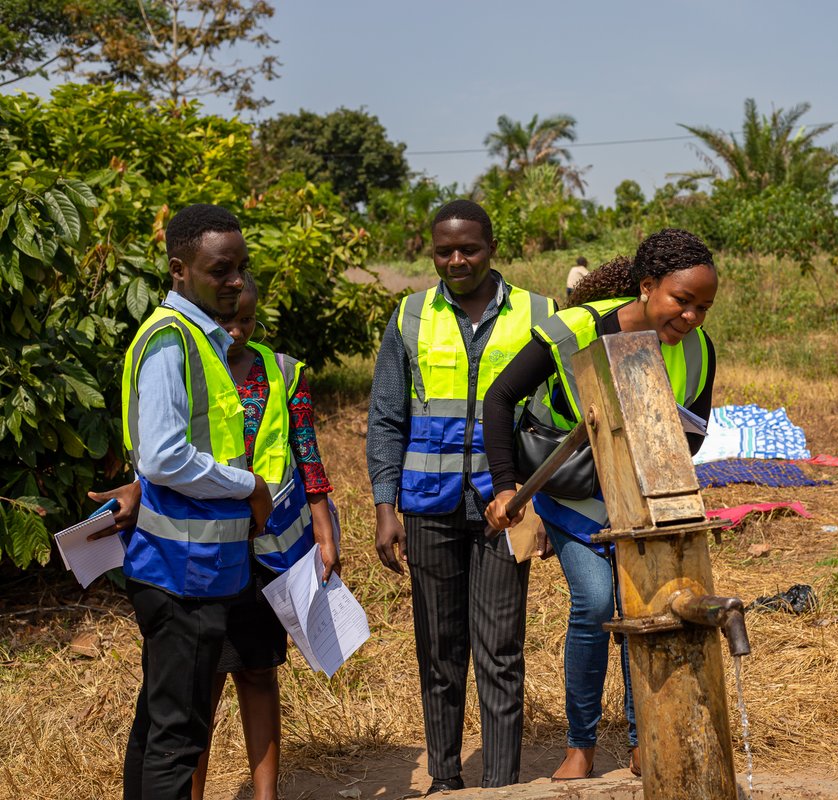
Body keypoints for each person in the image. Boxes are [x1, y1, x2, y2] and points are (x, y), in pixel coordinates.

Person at [481, 228, 719, 781]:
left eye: (703, 308)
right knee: (593, 604)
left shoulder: (699, 349)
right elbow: (499, 398)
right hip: (570, 492)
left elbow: (697, 434)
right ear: (646, 286)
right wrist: (505, 488)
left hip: (640, 497)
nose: (691, 318)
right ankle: (579, 747)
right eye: (681, 301)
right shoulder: (574, 331)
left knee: (647, 607)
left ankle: (646, 741)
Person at [101, 275, 340, 800]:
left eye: (247, 322)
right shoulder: (190, 360)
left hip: (268, 549)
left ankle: (265, 794)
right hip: (204, 550)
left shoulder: (278, 371)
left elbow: (306, 452)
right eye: (227, 321)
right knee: (196, 689)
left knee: (257, 671)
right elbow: (167, 455)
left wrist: (325, 528)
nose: (236, 331)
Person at [367, 199, 555, 793]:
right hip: (428, 505)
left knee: (500, 649)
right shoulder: (409, 316)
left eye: (468, 248)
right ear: (431, 251)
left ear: (491, 247)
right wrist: (384, 508)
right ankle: (445, 781)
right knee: (439, 651)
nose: (456, 260)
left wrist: (543, 506)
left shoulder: (539, 313)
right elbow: (386, 418)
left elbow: (555, 417)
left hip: (508, 506)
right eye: (444, 250)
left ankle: (501, 784)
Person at [119, 204, 273, 800]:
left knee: (159, 729)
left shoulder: (198, 337)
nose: (236, 280)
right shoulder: (171, 340)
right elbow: (162, 458)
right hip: (182, 575)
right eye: (221, 269)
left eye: (241, 267)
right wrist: (249, 487)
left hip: (194, 571)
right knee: (177, 739)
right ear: (180, 269)